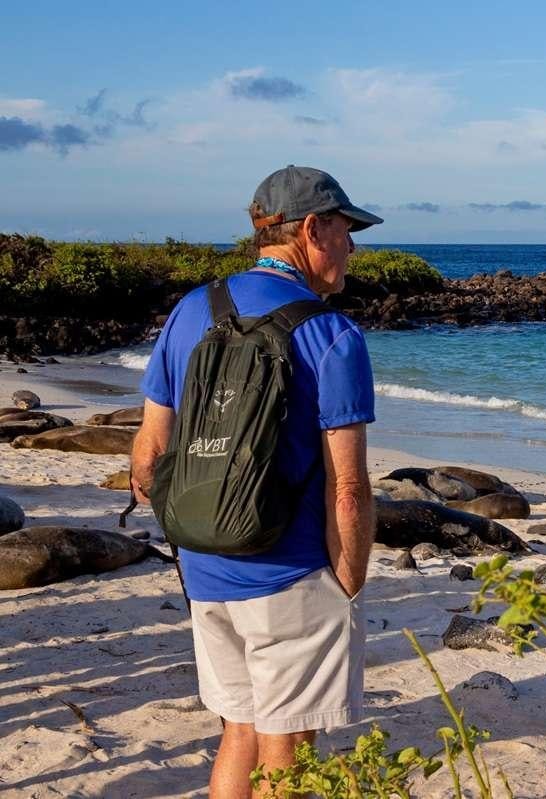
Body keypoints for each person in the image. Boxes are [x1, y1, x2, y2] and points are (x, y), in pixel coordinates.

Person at [130, 165, 382, 799]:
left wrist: (196, 538)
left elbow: (148, 456)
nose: (352, 245)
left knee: (238, 728)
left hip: (204, 564)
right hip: (290, 573)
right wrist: (347, 581)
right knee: (290, 746)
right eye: (347, 229)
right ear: (310, 228)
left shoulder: (192, 309)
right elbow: (348, 488)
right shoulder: (331, 334)